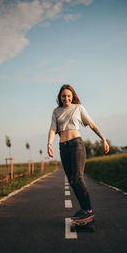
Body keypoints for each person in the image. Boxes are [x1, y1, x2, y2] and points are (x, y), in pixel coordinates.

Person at [47, 84, 109, 222]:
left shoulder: (78, 108)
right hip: (63, 147)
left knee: (78, 178)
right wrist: (49, 144)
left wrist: (103, 138)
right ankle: (83, 208)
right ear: (60, 97)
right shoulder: (56, 111)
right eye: (64, 96)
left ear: (72, 96)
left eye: (69, 96)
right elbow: (52, 129)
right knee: (72, 180)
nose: (66, 98)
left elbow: (91, 124)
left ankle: (89, 210)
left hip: (76, 145)